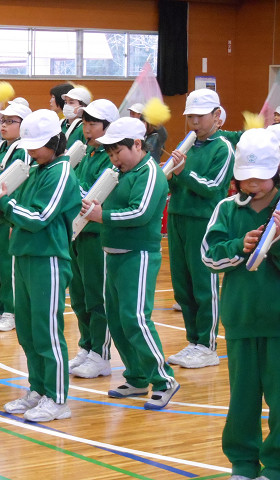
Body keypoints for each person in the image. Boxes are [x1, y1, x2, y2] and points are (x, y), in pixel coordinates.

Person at [0, 109, 81, 422]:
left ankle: (57, 398)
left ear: (54, 142)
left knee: (46, 330)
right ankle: (38, 388)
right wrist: (4, 208)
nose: (31, 152)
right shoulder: (39, 169)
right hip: (24, 256)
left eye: (36, 146)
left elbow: (39, 217)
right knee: (27, 331)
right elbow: (20, 213)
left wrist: (4, 203)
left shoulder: (61, 172)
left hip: (48, 259)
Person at [82, 116, 179, 410]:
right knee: (117, 319)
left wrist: (102, 216)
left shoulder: (149, 173)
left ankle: (164, 380)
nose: (114, 158)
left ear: (138, 144)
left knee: (136, 319)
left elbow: (140, 213)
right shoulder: (117, 172)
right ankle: (136, 377)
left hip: (138, 255)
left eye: (118, 151)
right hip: (113, 253)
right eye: (110, 153)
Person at [201, 128, 280, 480]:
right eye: (246, 177)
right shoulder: (227, 208)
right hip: (240, 320)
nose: (253, 184)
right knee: (242, 400)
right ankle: (243, 463)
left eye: (261, 177)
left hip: (277, 323)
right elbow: (208, 256)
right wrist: (239, 246)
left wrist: (275, 241)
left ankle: (275, 466)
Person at [166, 89, 235, 369]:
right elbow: (175, 183)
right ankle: (193, 341)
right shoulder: (187, 145)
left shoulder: (223, 148)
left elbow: (213, 188)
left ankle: (207, 346)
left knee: (204, 284)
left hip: (203, 221)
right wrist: (168, 174)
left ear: (217, 116)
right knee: (182, 284)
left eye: (199, 116)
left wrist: (182, 173)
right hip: (178, 217)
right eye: (190, 116)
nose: (194, 122)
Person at [68, 99, 118, 379]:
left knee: (97, 296)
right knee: (79, 296)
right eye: (85, 123)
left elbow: (93, 194)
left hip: (96, 235)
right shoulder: (86, 154)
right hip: (77, 234)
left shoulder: (110, 158)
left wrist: (71, 187)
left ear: (108, 127)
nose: (87, 128)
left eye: (93, 123)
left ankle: (101, 354)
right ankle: (86, 346)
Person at [0, 99, 32, 332]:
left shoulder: (23, 150)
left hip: (8, 214)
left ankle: (12, 311)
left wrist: (14, 218)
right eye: (2, 120)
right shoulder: (1, 148)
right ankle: (0, 306)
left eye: (10, 121)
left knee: (8, 266)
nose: (3, 125)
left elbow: (22, 185)